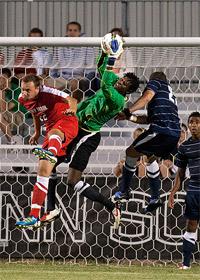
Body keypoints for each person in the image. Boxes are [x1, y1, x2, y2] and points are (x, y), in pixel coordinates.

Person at [38, 33, 140, 229]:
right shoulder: (113, 81)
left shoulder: (118, 100)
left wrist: (113, 57)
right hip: (74, 128)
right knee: (49, 163)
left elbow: (104, 83)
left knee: (72, 181)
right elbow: (102, 69)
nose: (121, 82)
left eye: (125, 84)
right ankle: (51, 208)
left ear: (127, 91)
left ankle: (111, 206)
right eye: (122, 80)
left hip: (88, 136)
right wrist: (104, 53)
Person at [112, 71, 181, 214]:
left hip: (161, 130)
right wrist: (129, 117)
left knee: (130, 152)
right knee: (150, 158)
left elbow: (146, 97)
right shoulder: (168, 95)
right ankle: (155, 198)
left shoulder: (157, 82)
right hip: (173, 135)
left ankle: (124, 191)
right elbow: (148, 119)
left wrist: (127, 110)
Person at [15, 74, 78, 228]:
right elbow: (35, 113)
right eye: (23, 89)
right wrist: (37, 133)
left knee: (53, 133)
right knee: (43, 172)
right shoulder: (22, 99)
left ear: (38, 88)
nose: (24, 93)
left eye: (28, 90)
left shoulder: (48, 92)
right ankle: (34, 216)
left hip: (67, 122)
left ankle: (51, 152)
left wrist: (72, 110)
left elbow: (73, 100)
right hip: (51, 133)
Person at [168, 111, 200, 270]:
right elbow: (180, 172)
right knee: (191, 225)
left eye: (197, 122)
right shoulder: (185, 147)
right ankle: (186, 264)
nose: (194, 125)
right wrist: (173, 192)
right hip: (194, 189)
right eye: (191, 122)